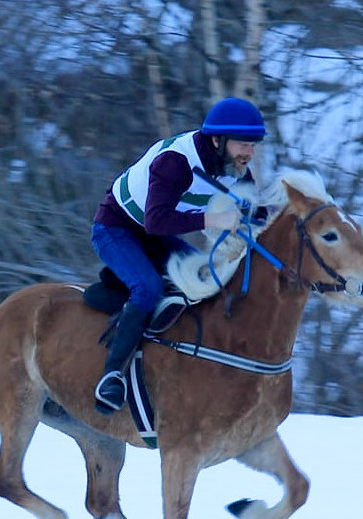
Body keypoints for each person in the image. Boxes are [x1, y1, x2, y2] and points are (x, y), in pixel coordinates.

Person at [88, 96, 265, 414]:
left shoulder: (233, 167)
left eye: (253, 145)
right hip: (116, 230)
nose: (249, 154)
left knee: (206, 279)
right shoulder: (176, 162)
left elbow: (255, 209)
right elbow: (155, 221)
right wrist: (215, 220)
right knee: (149, 288)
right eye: (243, 144)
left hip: (155, 238)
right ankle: (111, 377)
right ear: (217, 140)